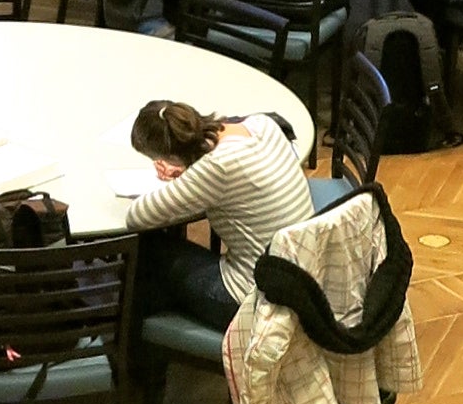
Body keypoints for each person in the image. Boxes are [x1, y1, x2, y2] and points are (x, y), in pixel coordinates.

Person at [116, 92, 316, 328]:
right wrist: (189, 174)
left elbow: (137, 216)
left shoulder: (216, 167)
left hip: (255, 301)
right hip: (303, 278)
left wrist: (185, 179)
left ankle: (138, 347)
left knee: (146, 248)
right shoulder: (263, 125)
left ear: (170, 156)